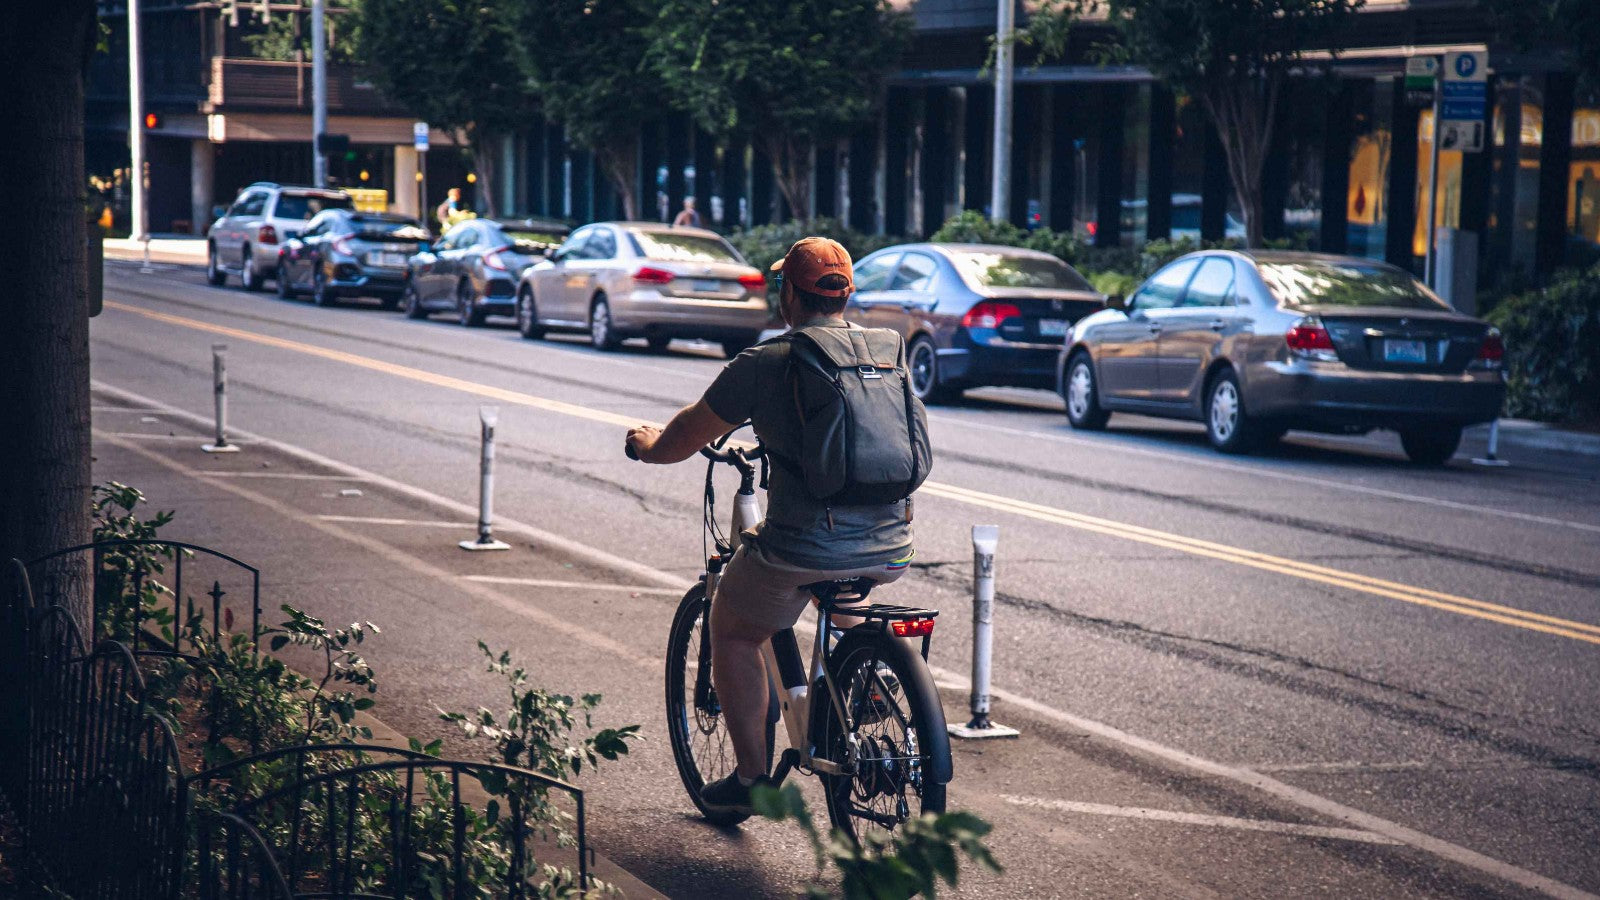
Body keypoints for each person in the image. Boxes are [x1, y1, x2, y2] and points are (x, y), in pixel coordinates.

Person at [625, 238, 916, 816]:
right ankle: (867, 682)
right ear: (844, 294)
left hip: (807, 541)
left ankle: (753, 778)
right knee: (835, 580)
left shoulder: (768, 362)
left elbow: (687, 433)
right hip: (892, 542)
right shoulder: (886, 352)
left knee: (733, 625)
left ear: (789, 295)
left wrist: (648, 446)